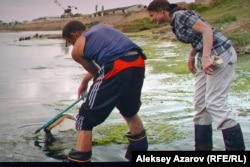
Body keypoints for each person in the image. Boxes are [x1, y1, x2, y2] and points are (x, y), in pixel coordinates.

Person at [147, 0, 245, 151]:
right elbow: (197, 36)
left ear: (161, 11)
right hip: (205, 56)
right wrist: (192, 56)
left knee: (215, 103)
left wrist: (206, 58)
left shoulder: (180, 15)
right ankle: (202, 148)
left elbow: (207, 30)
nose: (152, 19)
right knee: (200, 105)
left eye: (152, 15)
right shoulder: (174, 21)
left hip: (220, 54)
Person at [62, 21, 148, 162]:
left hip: (116, 66)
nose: (71, 45)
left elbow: (97, 72)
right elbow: (113, 55)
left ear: (74, 34)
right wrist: (85, 81)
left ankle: (81, 158)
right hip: (138, 61)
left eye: (69, 41)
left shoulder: (77, 49)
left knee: (85, 119)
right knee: (129, 111)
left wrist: (88, 86)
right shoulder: (104, 27)